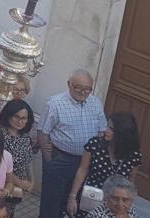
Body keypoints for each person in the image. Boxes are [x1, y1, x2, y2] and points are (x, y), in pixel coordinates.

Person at [38, 69, 107, 218]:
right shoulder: (55, 103)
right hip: (60, 158)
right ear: (69, 84)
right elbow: (43, 132)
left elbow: (102, 130)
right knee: (52, 201)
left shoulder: (95, 103)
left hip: (86, 161)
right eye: (79, 88)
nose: (83, 92)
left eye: (88, 89)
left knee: (75, 201)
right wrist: (49, 159)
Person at [69, 112, 143, 218]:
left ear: (122, 133)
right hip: (89, 196)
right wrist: (72, 197)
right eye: (107, 126)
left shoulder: (134, 155)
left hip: (114, 203)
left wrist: (126, 204)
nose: (106, 130)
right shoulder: (94, 144)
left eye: (111, 128)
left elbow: (131, 181)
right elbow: (82, 170)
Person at [0, 99, 37, 215]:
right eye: (16, 117)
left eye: (24, 118)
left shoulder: (25, 136)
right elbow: (0, 164)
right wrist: (19, 182)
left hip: (19, 187)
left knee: (9, 212)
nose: (20, 121)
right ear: (8, 115)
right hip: (1, 184)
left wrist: (31, 181)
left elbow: (28, 160)